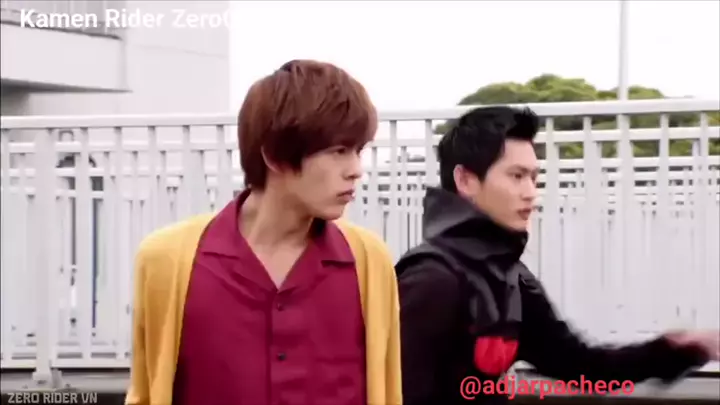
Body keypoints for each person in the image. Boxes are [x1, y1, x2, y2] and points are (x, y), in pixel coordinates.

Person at [395, 105, 720, 404]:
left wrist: (679, 350)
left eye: (534, 178)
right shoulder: (432, 279)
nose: (530, 193)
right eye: (516, 176)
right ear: (466, 180)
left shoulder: (511, 278)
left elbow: (582, 365)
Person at [125, 59, 402, 405]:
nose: (356, 170)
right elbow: (146, 391)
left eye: (358, 151)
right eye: (339, 151)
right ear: (274, 155)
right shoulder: (166, 260)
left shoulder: (368, 260)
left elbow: (388, 390)